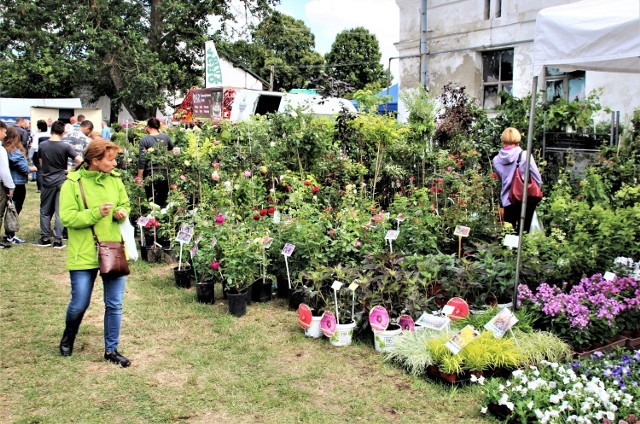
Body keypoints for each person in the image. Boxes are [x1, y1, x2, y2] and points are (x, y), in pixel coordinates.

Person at [58, 138, 132, 367]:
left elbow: (125, 204)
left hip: (112, 249)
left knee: (115, 304)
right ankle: (69, 336)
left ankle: (111, 350)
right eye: (110, 159)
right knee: (80, 302)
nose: (114, 163)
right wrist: (95, 213)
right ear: (94, 160)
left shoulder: (115, 181)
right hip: (84, 251)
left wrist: (121, 212)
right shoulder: (73, 183)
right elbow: (67, 218)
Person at [34, 121, 82, 248]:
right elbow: (80, 160)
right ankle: (58, 240)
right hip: (62, 180)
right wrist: (70, 171)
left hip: (47, 180)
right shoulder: (65, 146)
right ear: (62, 132)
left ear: (51, 131)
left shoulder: (43, 145)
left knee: (45, 210)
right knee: (60, 210)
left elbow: (40, 162)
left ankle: (45, 238)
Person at [492, 127, 543, 233]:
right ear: (517, 138)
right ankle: (521, 249)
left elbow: (502, 180)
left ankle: (509, 249)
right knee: (523, 232)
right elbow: (538, 179)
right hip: (525, 199)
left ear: (503, 140)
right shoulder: (525, 155)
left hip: (508, 199)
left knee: (509, 232)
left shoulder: (496, 160)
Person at [3, 128, 37, 244]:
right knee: (15, 210)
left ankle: (9, 234)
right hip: (17, 183)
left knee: (8, 209)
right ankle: (10, 234)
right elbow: (24, 168)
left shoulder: (4, 150)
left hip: (7, 182)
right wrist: (37, 168)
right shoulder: (14, 152)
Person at [135, 117, 174, 208]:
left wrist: (139, 177)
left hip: (150, 173)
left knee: (151, 200)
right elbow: (172, 150)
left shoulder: (144, 140)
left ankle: (153, 219)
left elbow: (142, 159)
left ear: (148, 127)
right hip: (164, 172)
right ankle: (163, 218)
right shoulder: (165, 137)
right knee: (163, 199)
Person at [0, 121, 15, 249]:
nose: (5, 135)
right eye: (4, 132)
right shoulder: (1, 150)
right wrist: (10, 187)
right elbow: (4, 170)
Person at [31, 119, 51, 193]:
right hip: (49, 154)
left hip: (38, 153)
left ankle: (40, 187)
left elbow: (34, 146)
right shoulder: (50, 135)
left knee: (39, 170)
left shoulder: (37, 135)